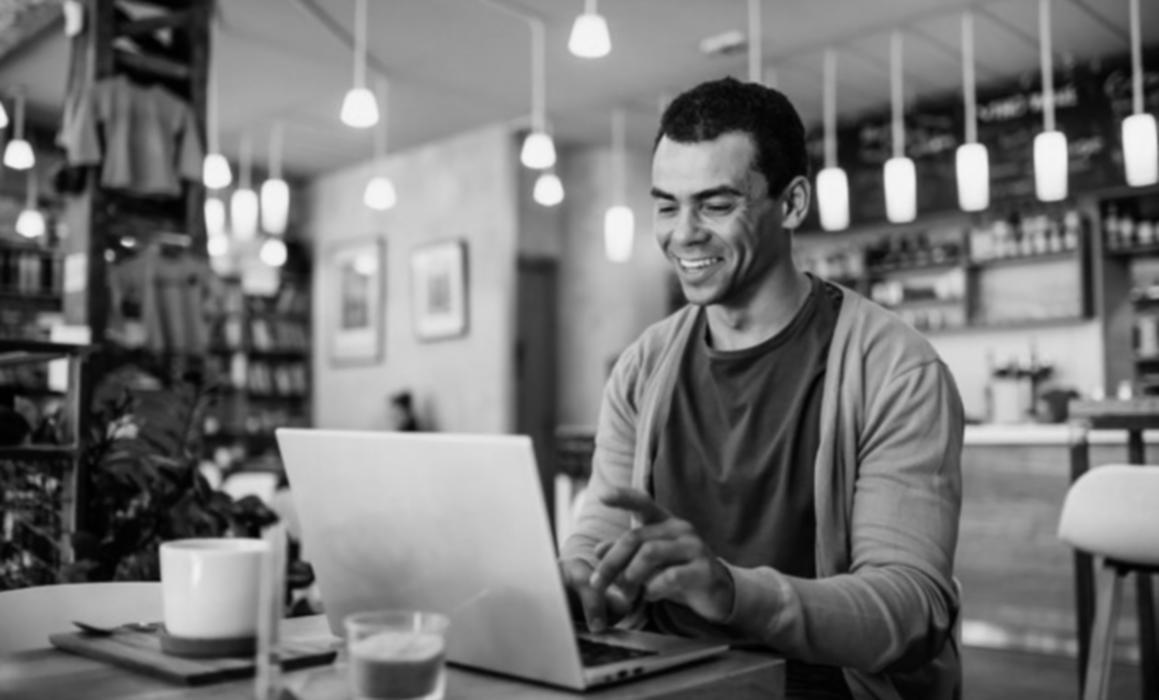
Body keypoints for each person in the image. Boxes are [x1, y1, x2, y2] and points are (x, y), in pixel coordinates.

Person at [558, 76, 964, 700]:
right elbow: (604, 528)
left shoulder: (896, 369)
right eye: (667, 205)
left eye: (716, 205)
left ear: (793, 203)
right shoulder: (643, 365)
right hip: (663, 677)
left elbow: (911, 611)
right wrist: (578, 575)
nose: (683, 233)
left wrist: (732, 592)